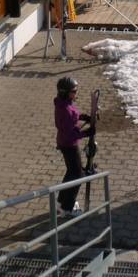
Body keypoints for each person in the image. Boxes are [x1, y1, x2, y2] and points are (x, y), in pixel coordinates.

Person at [53, 76, 94, 218]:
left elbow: (73, 116)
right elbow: (70, 134)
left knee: (71, 172)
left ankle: (61, 202)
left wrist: (83, 117)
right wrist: (86, 133)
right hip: (69, 145)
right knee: (78, 175)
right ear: (65, 92)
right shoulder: (65, 109)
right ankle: (67, 208)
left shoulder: (64, 103)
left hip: (66, 143)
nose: (76, 93)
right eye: (74, 91)